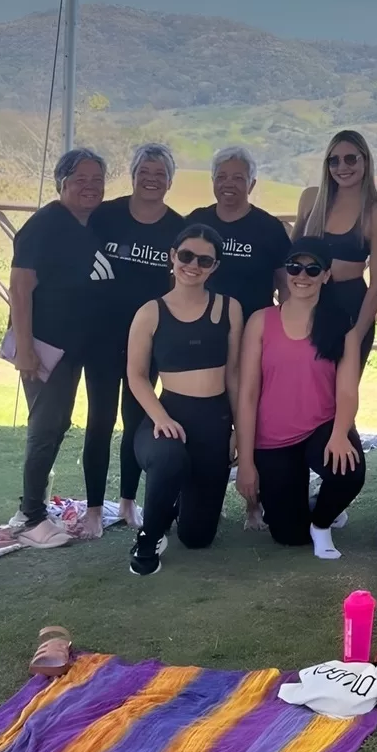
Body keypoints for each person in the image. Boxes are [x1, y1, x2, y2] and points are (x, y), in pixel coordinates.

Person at [7, 148, 116, 549]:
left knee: (57, 425)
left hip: (74, 346)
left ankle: (32, 509)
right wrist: (24, 349)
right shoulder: (45, 225)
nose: (90, 187)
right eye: (80, 179)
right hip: (43, 345)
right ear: (62, 184)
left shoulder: (87, 224)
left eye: (97, 180)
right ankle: (31, 517)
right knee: (46, 425)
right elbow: (20, 288)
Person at [235, 237, 366, 560]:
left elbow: (348, 390)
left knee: (349, 469)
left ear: (326, 275)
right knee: (289, 535)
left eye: (312, 269)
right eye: (295, 267)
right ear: (286, 271)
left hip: (321, 427)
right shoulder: (260, 321)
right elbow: (248, 393)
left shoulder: (341, 326)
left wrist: (339, 434)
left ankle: (323, 522)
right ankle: (308, 507)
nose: (302, 275)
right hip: (273, 439)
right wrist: (246, 462)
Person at [126, 225, 243, 575]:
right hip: (168, 415)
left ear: (215, 267)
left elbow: (235, 375)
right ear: (172, 257)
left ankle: (174, 505)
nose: (194, 265)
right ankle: (149, 536)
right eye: (187, 256)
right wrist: (160, 418)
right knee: (169, 456)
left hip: (215, 422)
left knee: (197, 536)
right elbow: (136, 375)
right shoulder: (150, 312)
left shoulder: (229, 308)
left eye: (205, 260)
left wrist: (237, 429)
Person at [83, 143, 185, 537]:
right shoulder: (105, 216)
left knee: (136, 420)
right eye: (145, 171)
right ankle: (94, 507)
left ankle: (128, 501)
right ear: (133, 174)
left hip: (149, 340)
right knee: (100, 418)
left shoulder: (178, 226)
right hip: (102, 335)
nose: (151, 179)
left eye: (160, 173)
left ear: (170, 181)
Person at [293, 130, 377, 372]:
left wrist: (358, 332)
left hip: (349, 307)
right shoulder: (310, 199)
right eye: (334, 160)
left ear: (365, 161)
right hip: (307, 303)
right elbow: (290, 254)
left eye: (351, 158)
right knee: (303, 385)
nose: (342, 166)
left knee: (341, 392)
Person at [185, 146, 291, 319]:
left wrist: (284, 325)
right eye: (221, 177)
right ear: (213, 181)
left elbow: (286, 284)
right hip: (199, 326)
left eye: (238, 178)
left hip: (253, 328)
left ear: (252, 184)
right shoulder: (197, 221)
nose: (228, 183)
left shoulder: (269, 227)